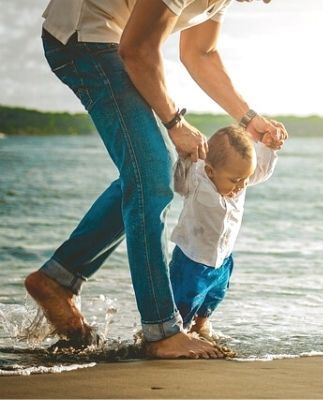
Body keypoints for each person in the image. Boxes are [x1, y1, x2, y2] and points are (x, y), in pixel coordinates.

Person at [25, 0, 288, 359]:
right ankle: (161, 330)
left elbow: (202, 52)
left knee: (149, 174)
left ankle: (58, 278)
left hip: (112, 41)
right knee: (152, 176)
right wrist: (175, 123)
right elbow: (137, 49)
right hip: (84, 39)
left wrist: (249, 118)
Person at [169, 125, 282, 345]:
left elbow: (262, 170)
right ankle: (177, 336)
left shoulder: (239, 177)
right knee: (183, 304)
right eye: (234, 181)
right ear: (210, 171)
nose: (240, 187)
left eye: (245, 180)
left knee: (215, 296)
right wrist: (184, 158)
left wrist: (268, 147)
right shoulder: (197, 178)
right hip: (192, 260)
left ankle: (201, 327)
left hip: (222, 259)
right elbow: (177, 183)